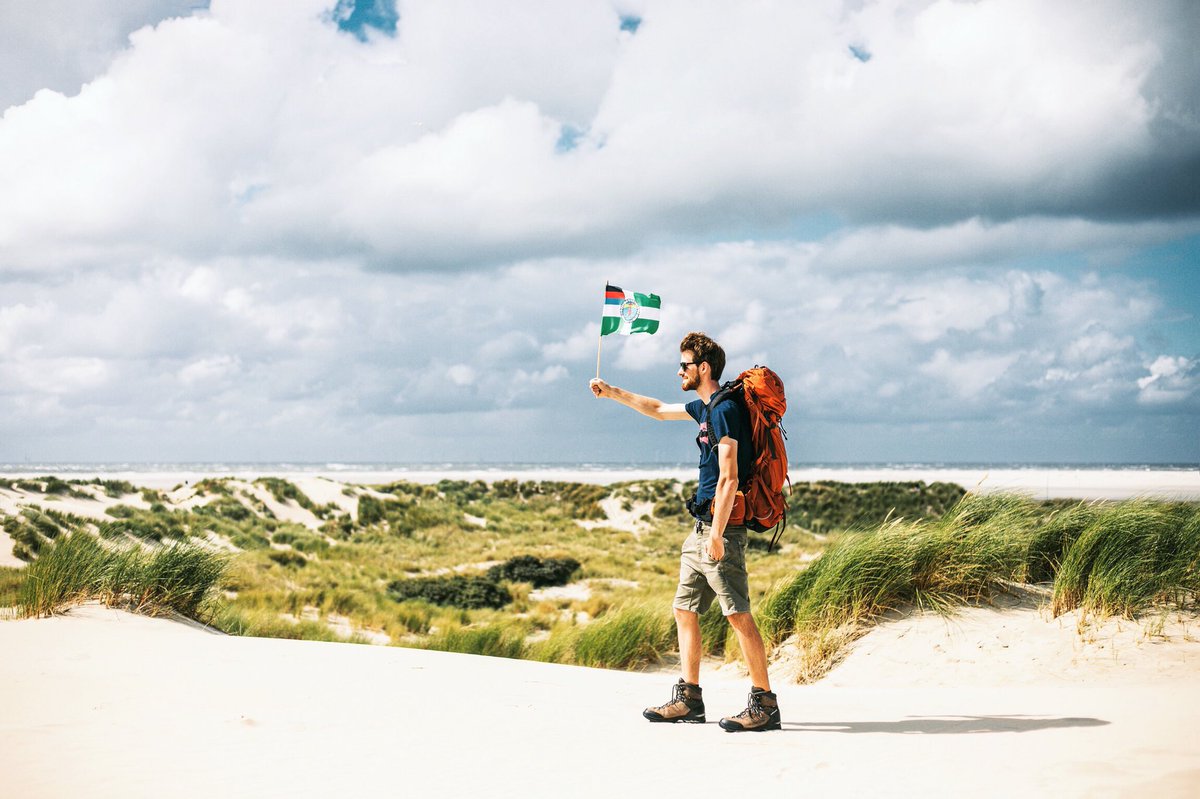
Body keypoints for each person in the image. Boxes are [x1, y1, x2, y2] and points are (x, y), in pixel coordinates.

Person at [589, 331, 780, 732]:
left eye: (684, 365)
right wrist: (611, 392)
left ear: (703, 368)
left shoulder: (726, 410)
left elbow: (729, 479)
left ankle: (764, 705)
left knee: (738, 614)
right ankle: (690, 699)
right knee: (684, 609)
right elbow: (658, 409)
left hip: (721, 530)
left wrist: (717, 534)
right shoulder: (705, 407)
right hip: (700, 530)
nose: (679, 370)